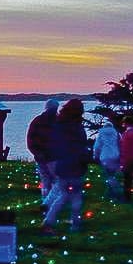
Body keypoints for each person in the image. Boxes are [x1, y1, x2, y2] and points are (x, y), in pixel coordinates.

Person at [42, 99, 89, 234]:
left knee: (63, 195)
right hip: (76, 166)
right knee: (76, 196)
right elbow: (82, 147)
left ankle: (49, 221)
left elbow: (54, 145)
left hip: (62, 165)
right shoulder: (78, 128)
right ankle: (75, 224)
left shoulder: (58, 126)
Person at [27, 99, 60, 207]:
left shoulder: (37, 121)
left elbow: (30, 139)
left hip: (41, 156)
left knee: (46, 180)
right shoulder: (58, 121)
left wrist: (36, 152)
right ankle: (50, 203)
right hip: (52, 156)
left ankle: (46, 201)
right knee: (56, 180)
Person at [93, 118, 122, 201]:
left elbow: (97, 146)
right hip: (115, 156)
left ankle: (115, 193)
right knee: (112, 175)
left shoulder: (101, 134)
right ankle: (112, 192)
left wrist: (95, 156)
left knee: (109, 175)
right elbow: (120, 144)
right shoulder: (117, 133)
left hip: (105, 157)